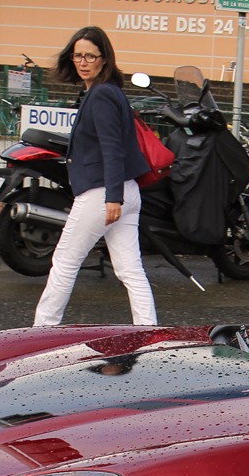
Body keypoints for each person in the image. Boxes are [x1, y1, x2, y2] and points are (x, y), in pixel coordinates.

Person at [32, 25, 156, 327]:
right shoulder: (108, 92)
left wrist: (112, 197)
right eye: (78, 56)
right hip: (126, 192)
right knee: (130, 269)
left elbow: (112, 149)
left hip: (104, 194)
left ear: (104, 59)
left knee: (64, 262)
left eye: (90, 55)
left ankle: (41, 330)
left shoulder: (100, 96)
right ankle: (149, 330)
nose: (83, 61)